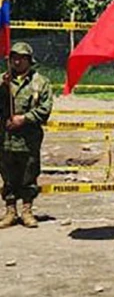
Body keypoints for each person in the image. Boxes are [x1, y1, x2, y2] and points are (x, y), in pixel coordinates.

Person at [0, 42, 53, 229]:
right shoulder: (3, 80)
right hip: (6, 139)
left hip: (29, 139)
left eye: (21, 57)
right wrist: (2, 89)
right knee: (8, 176)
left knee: (29, 175)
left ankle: (27, 210)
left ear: (29, 60)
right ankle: (10, 211)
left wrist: (25, 118)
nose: (16, 61)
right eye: (13, 57)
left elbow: (45, 109)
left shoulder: (41, 82)